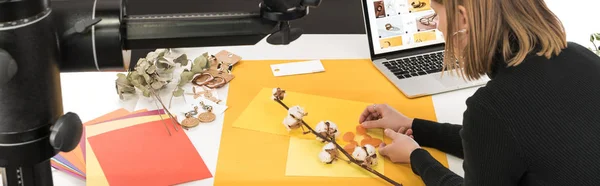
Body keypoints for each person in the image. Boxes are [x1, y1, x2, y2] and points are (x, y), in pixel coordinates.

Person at [359, 0, 600, 185]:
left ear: (462, 18)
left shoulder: (493, 108)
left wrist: (417, 158)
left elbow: (496, 135)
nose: (438, 26)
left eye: (436, 14)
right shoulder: (582, 56)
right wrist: (414, 125)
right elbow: (500, 145)